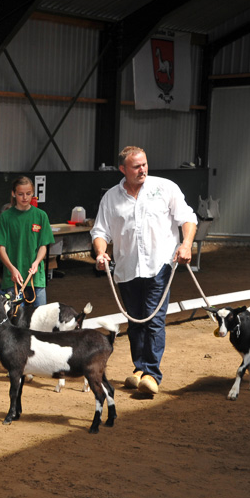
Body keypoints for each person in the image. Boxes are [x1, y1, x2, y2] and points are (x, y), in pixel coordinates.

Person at [91, 146, 196, 396]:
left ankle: (151, 374)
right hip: (127, 268)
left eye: (145, 164)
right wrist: (100, 252)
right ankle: (139, 369)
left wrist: (186, 244)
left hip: (160, 265)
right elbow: (100, 232)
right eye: (136, 166)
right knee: (135, 321)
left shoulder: (165, 188)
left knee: (153, 319)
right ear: (123, 169)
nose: (143, 170)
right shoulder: (111, 198)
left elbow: (187, 218)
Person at [0, 176, 55, 307]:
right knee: (16, 318)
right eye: (20, 194)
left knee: (41, 317)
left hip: (36, 277)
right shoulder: (6, 217)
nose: (25, 197)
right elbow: (1, 247)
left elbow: (43, 245)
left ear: (33, 193)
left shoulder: (41, 215)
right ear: (13, 194)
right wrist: (12, 269)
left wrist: (37, 262)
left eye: (28, 194)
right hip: (13, 277)